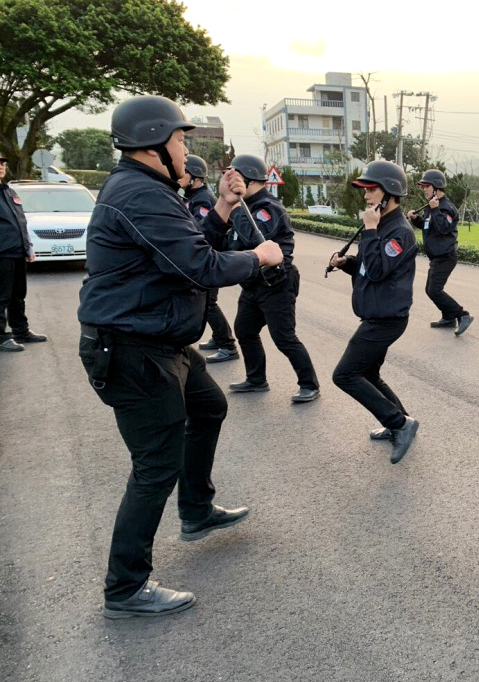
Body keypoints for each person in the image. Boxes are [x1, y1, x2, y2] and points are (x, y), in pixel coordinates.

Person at [77, 95, 284, 618]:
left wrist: (223, 209)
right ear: (154, 144)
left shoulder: (149, 189)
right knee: (154, 466)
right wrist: (259, 256)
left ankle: (196, 510)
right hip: (132, 349)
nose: (185, 147)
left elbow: (183, 249)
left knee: (209, 407)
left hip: (162, 342)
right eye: (180, 139)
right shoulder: (138, 194)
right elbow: (200, 266)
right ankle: (125, 587)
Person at [329, 160, 420, 464]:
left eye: (372, 188)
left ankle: (400, 423)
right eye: (365, 189)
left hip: (386, 319)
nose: (366, 195)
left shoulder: (400, 232)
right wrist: (349, 264)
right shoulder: (381, 224)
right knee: (367, 372)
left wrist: (369, 230)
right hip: (376, 315)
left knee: (344, 374)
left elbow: (380, 269)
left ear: (391, 192)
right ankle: (401, 419)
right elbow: (370, 266)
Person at [211, 154, 320, 403]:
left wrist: (236, 206)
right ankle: (256, 379)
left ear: (247, 180)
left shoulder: (268, 208)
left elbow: (255, 240)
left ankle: (309, 384)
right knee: (245, 330)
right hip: (252, 284)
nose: (229, 184)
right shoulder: (244, 208)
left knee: (284, 338)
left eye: (234, 178)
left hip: (276, 284)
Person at [180, 154, 237, 363]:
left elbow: (203, 231)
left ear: (194, 176)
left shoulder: (203, 199)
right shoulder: (192, 197)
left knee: (209, 304)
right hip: (204, 256)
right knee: (209, 302)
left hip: (210, 256)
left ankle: (228, 345)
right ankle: (218, 337)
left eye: (184, 173)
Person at [406, 169, 473, 336]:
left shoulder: (447, 207)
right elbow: (430, 227)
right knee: (430, 289)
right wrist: (416, 219)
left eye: (426, 186)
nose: (424, 189)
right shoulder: (432, 206)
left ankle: (462, 315)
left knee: (434, 290)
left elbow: (444, 228)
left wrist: (435, 210)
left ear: (437, 187)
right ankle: (449, 317)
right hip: (436, 257)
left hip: (446, 257)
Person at [0, 153, 47, 352]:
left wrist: (28, 247)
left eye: (2, 163)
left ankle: (21, 330)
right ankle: (2, 337)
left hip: (16, 252)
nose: (1, 166)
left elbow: (20, 221)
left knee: (17, 295)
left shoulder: (8, 192)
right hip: (2, 253)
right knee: (1, 296)